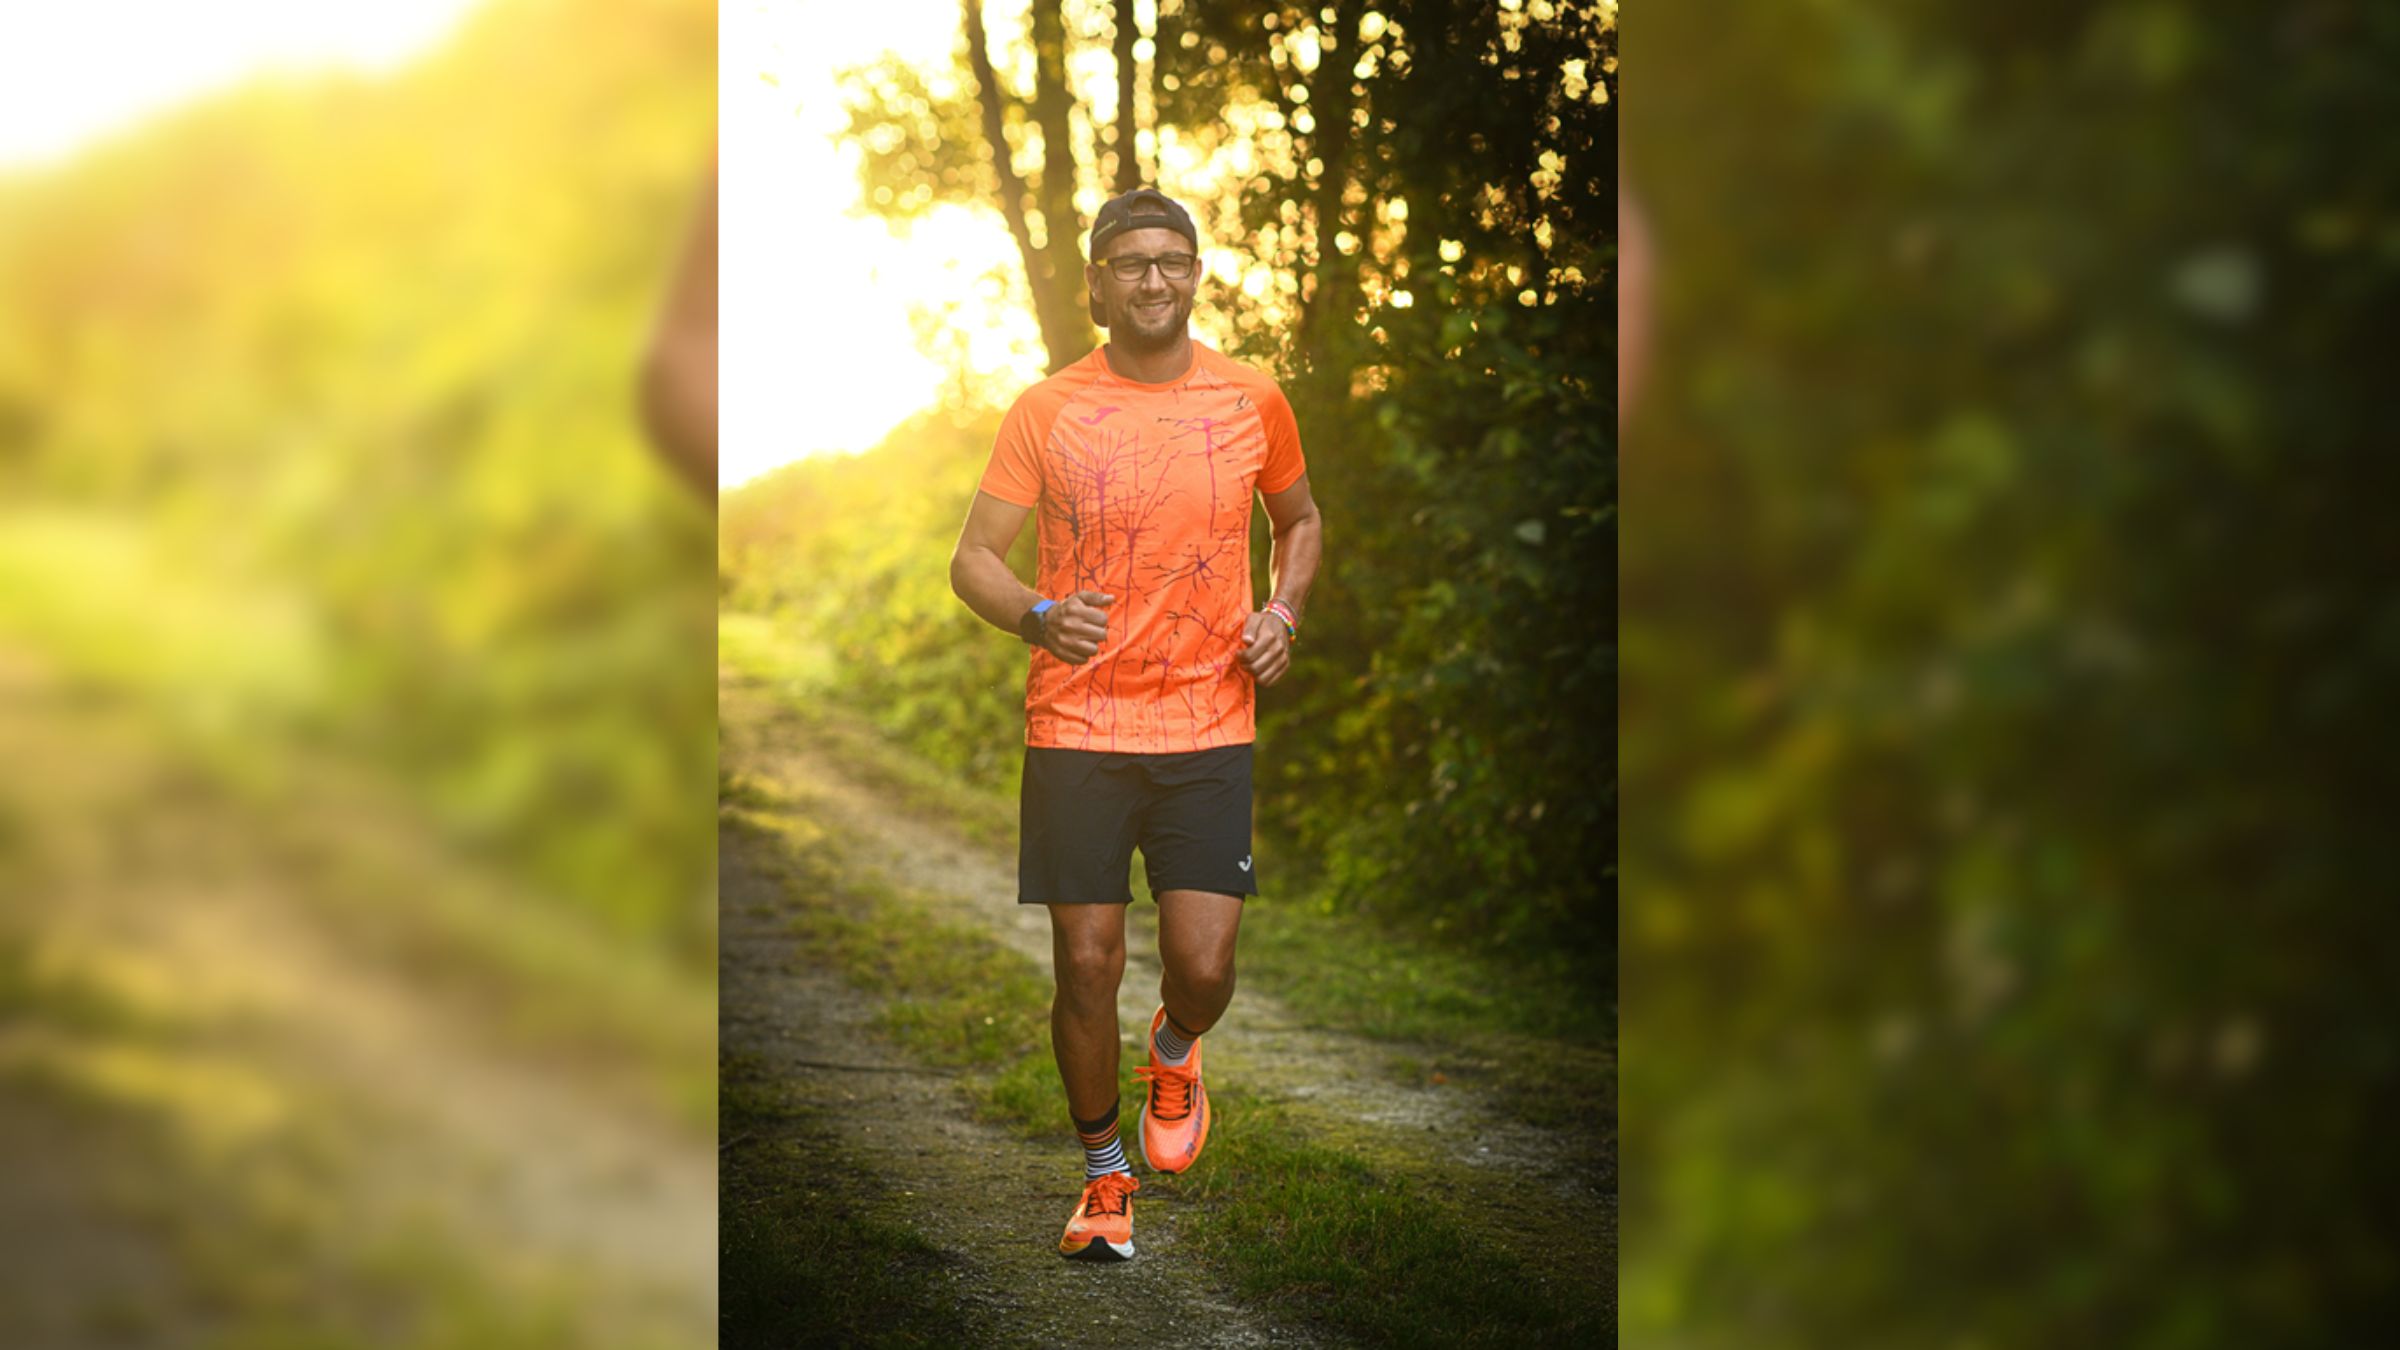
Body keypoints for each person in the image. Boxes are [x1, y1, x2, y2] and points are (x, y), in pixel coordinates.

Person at [948, 187, 1324, 1262]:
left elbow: (1299, 520)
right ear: (1097, 281)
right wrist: (1035, 613)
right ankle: (1104, 1178)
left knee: (1204, 970)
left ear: (1195, 274)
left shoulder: (1254, 397)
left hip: (1210, 721)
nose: (1153, 279)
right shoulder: (1046, 408)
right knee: (1087, 964)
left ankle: (1176, 1046)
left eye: (1172, 260)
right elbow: (973, 557)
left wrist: (1284, 611)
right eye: (1130, 262)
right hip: (1079, 728)